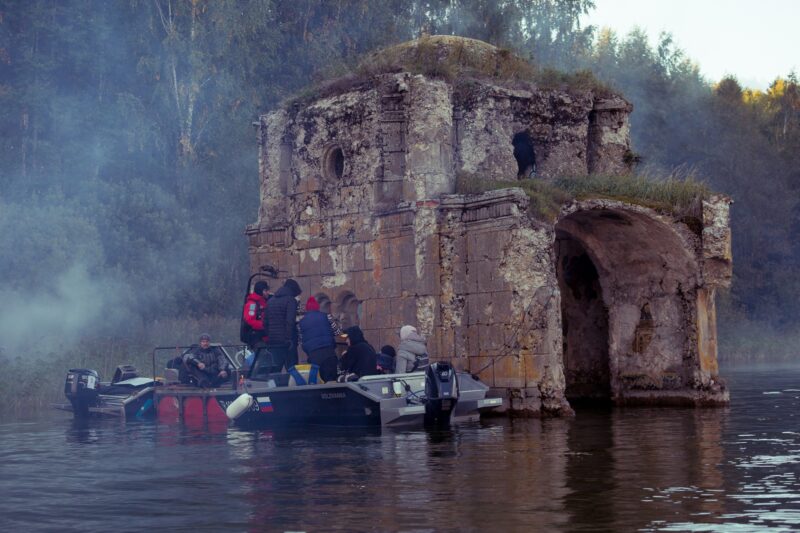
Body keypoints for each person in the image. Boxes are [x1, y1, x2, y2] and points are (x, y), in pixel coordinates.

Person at [262, 278, 302, 373]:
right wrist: (288, 339)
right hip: (287, 342)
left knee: (275, 370)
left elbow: (265, 322)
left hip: (273, 341)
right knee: (292, 370)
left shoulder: (271, 301)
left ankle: (274, 387)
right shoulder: (290, 300)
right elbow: (290, 321)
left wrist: (270, 336)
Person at [298, 296, 339, 382]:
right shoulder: (327, 316)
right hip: (329, 352)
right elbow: (337, 332)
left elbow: (301, 340)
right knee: (331, 381)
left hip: (313, 355)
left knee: (317, 382)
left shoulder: (301, 322)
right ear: (317, 307)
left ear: (307, 309)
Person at [242, 280, 269, 350]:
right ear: (260, 291)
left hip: (262, 335)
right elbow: (250, 320)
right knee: (261, 356)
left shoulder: (262, 302)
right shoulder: (252, 304)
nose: (267, 293)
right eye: (265, 290)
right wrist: (264, 325)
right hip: (256, 336)